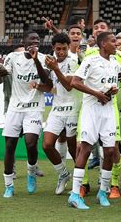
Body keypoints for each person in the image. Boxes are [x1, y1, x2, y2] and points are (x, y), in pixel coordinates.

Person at [68, 31, 121, 210]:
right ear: (103, 44)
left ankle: (103, 192)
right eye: (113, 41)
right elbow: (74, 82)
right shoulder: (91, 61)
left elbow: (113, 85)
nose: (117, 44)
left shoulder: (115, 63)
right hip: (91, 110)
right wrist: (96, 93)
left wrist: (111, 91)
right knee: (86, 149)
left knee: (110, 150)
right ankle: (75, 194)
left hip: (108, 110)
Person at [0, 30, 53, 198]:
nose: (35, 41)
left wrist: (36, 58)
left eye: (37, 39)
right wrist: (0, 71)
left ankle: (31, 172)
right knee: (10, 146)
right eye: (32, 39)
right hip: (15, 107)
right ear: (24, 42)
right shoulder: (13, 57)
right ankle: (9, 185)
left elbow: (46, 81)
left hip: (34, 107)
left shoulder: (44, 58)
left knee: (31, 143)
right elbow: (4, 72)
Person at [42, 33, 80, 195]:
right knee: (47, 145)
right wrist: (40, 81)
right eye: (58, 49)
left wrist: (55, 68)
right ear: (53, 48)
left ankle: (80, 183)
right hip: (57, 109)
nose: (61, 52)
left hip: (72, 109)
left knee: (73, 149)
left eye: (64, 48)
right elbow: (51, 85)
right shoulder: (50, 63)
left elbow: (69, 85)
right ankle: (63, 174)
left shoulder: (73, 62)